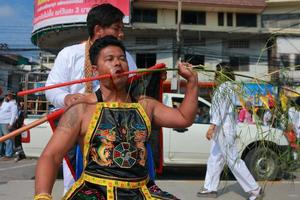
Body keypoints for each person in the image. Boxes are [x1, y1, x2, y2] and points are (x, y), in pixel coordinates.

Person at [34, 36, 198, 200]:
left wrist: (191, 82)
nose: (118, 63)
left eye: (122, 59)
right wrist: (42, 196)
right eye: (109, 59)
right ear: (95, 71)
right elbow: (51, 156)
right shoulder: (81, 109)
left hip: (142, 191)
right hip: (94, 193)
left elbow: (184, 118)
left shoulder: (146, 105)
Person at [45, 3, 172, 198]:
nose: (121, 34)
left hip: (121, 136)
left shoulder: (126, 57)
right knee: (75, 187)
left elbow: (134, 90)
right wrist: (68, 98)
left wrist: (153, 80)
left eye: (122, 29)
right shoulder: (69, 54)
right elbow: (51, 89)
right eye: (117, 28)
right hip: (80, 131)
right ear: (98, 29)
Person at [196, 63, 263, 200]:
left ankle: (254, 189)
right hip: (224, 128)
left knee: (232, 160)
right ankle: (210, 188)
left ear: (219, 75)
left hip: (223, 130)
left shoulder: (223, 88)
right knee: (215, 158)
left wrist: (212, 127)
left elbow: (220, 110)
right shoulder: (230, 87)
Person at [0, 91, 18, 160]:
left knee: (7, 139)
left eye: (8, 95)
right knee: (1, 139)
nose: (7, 96)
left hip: (6, 122)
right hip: (1, 122)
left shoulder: (13, 104)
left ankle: (8, 154)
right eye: (6, 95)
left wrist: (11, 124)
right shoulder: (4, 102)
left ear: (11, 96)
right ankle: (2, 153)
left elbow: (14, 115)